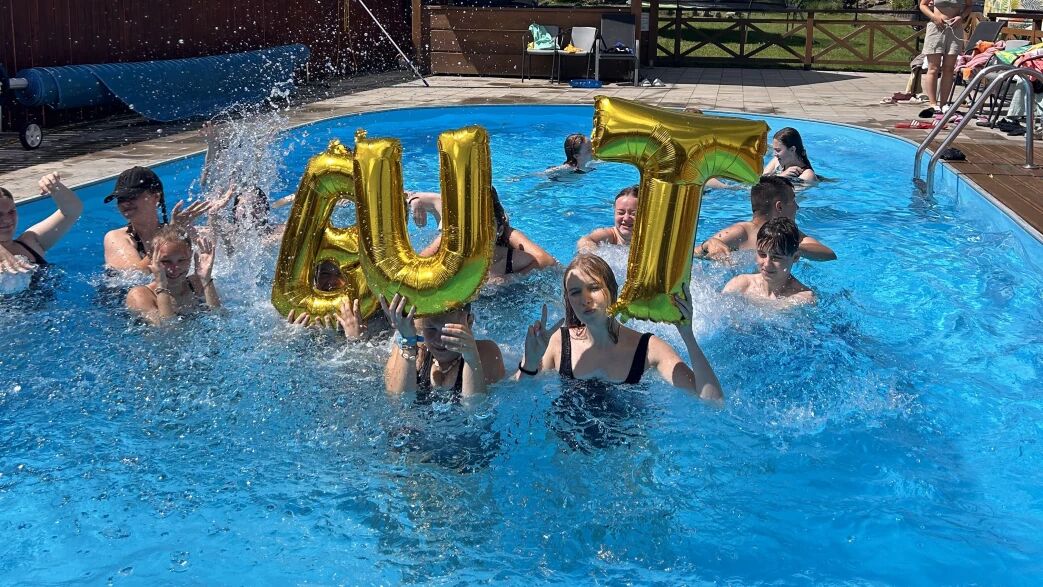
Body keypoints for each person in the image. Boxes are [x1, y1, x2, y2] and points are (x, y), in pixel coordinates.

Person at [516, 253, 722, 402]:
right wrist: (531, 362)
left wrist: (688, 335)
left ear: (612, 291)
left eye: (594, 288)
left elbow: (712, 401)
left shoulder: (649, 348)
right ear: (568, 300)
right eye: (575, 292)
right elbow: (522, 394)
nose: (585, 299)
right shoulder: (557, 343)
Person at [381, 294, 505, 400]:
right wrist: (408, 340)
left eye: (448, 330)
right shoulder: (409, 349)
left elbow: (475, 409)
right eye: (431, 329)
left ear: (469, 323)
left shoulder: (486, 352)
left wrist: (471, 356)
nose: (440, 341)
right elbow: (399, 403)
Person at [421, 187, 556, 281]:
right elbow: (420, 266)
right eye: (472, 225)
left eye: (485, 225)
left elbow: (547, 262)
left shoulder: (511, 255)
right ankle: (434, 203)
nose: (479, 233)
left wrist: (509, 279)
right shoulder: (455, 241)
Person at [694, 176, 835, 262]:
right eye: (793, 201)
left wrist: (789, 247)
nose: (797, 207)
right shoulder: (742, 232)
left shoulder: (787, 234)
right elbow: (692, 254)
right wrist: (708, 244)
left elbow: (828, 254)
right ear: (779, 207)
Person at [103, 166, 210, 272]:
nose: (125, 203)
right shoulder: (116, 237)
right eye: (121, 198)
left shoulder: (180, 231)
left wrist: (214, 220)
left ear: (156, 197)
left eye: (132, 196)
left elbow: (214, 255)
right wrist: (173, 230)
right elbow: (133, 275)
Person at [125, 226, 220, 325]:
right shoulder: (141, 295)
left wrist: (206, 279)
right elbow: (169, 330)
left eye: (181, 260)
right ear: (151, 258)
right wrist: (162, 285)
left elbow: (219, 319)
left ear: (190, 256)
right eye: (166, 261)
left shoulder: (196, 285)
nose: (174, 268)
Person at [1, 173, 83, 278]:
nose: (7, 220)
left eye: (11, 211)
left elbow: (71, 212)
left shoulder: (30, 242)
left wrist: (55, 187)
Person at [723, 217, 815, 306]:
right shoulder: (740, 285)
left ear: (795, 257)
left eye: (776, 257)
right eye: (762, 254)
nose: (767, 264)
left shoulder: (803, 299)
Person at [919, 0, 973, 112]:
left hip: (954, 29)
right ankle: (933, 103)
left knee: (949, 69)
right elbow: (923, 5)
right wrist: (934, 17)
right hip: (936, 28)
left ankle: (944, 103)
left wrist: (961, 17)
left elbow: (969, 6)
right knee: (933, 68)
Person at [576, 185, 638, 250]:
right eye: (621, 213)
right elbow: (585, 240)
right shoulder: (610, 235)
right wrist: (591, 253)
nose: (626, 218)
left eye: (633, 214)